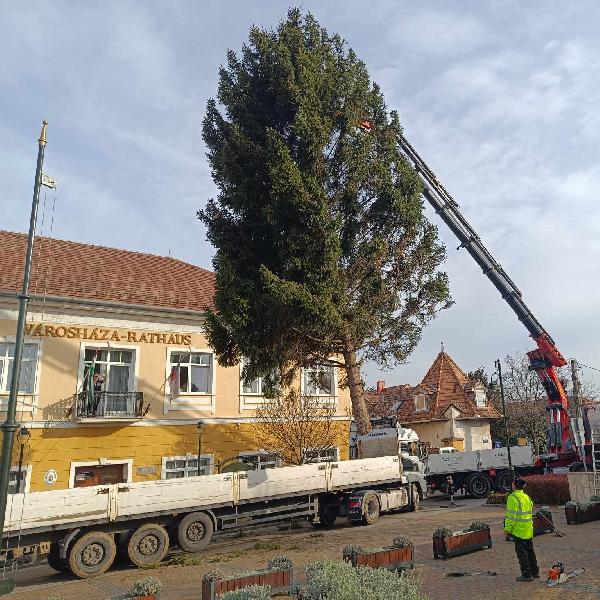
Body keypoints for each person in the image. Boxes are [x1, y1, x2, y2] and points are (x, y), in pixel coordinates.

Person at [504, 478, 539, 581]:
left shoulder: (512, 498)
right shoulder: (526, 497)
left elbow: (511, 516)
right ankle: (535, 572)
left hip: (519, 530)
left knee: (522, 553)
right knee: (530, 551)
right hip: (528, 528)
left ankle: (527, 574)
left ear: (515, 486)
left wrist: (507, 530)